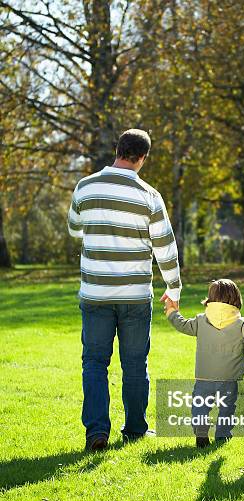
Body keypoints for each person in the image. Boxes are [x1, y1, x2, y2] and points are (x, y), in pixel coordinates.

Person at [67, 129, 182, 450]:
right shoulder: (149, 196)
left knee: (94, 362)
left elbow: (75, 229)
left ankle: (96, 432)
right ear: (143, 158)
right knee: (134, 364)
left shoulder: (85, 187)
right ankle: (134, 428)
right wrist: (174, 287)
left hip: (95, 292)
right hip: (134, 295)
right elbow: (166, 248)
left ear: (117, 149)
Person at [165, 278, 244, 447]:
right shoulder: (240, 324)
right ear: (236, 299)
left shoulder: (200, 321)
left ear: (210, 298)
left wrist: (171, 311)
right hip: (229, 377)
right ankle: (223, 435)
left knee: (200, 405)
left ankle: (201, 430)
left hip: (204, 376)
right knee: (227, 408)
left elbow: (182, 325)